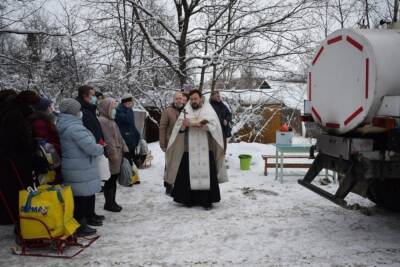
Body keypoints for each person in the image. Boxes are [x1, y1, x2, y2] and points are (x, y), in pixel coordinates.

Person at [165, 90, 228, 210]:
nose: (193, 101)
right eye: (192, 99)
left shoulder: (208, 110)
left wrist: (203, 125)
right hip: (189, 149)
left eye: (195, 99)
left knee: (207, 174)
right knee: (187, 175)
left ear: (200, 99)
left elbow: (215, 126)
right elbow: (179, 128)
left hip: (206, 149)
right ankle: (188, 200)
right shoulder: (186, 110)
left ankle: (206, 201)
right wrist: (184, 124)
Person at [57, 98, 104, 236]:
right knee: (81, 197)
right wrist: (100, 148)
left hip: (74, 165)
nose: (80, 112)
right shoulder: (75, 127)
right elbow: (90, 147)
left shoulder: (63, 123)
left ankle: (82, 221)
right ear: (74, 112)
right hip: (80, 166)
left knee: (80, 196)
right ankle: (80, 225)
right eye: (78, 110)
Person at [0, 90, 47, 225]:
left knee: (17, 190)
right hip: (15, 161)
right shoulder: (14, 115)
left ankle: (17, 219)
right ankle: (22, 221)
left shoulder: (14, 112)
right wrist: (31, 151)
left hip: (16, 160)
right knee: (20, 191)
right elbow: (15, 141)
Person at [76, 85, 106, 224]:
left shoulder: (90, 109)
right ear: (85, 96)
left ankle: (91, 213)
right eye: (92, 95)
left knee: (93, 183)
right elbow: (85, 132)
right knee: (86, 186)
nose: (95, 97)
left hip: (95, 149)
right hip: (86, 152)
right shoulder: (81, 110)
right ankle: (86, 216)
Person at [98, 98, 128, 212]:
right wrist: (113, 155)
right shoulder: (103, 121)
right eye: (113, 108)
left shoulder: (111, 120)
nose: (115, 110)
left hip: (118, 153)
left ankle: (112, 201)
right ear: (106, 108)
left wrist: (124, 147)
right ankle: (109, 203)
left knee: (113, 179)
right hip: (113, 155)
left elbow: (119, 136)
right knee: (110, 180)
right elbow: (109, 140)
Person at [30, 97, 62, 184]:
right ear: (44, 109)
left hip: (53, 159)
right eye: (49, 106)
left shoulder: (46, 120)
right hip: (50, 162)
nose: (51, 108)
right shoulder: (40, 123)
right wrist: (59, 147)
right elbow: (43, 144)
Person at [160, 91, 184, 195]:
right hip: (171, 142)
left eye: (180, 98)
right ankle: (168, 186)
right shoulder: (168, 111)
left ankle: (179, 186)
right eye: (176, 98)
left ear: (183, 99)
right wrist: (162, 143)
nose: (179, 100)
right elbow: (162, 127)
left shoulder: (186, 110)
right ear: (174, 99)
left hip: (183, 143)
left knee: (180, 165)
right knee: (170, 165)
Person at [115, 94, 140, 166]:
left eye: (131, 102)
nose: (131, 104)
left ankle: (132, 169)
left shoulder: (128, 109)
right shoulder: (119, 111)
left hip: (131, 136)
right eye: (129, 103)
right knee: (127, 158)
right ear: (125, 103)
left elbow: (132, 124)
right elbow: (127, 120)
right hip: (126, 138)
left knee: (131, 156)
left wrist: (137, 134)